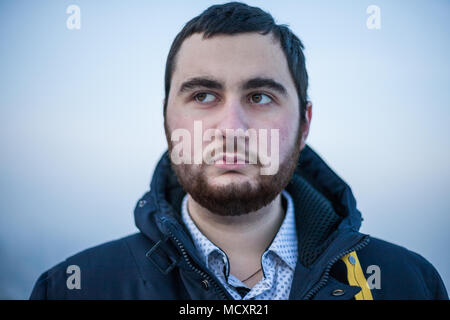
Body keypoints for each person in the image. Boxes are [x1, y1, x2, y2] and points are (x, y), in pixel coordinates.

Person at [30, 2, 447, 300]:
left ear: (304, 124)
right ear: (166, 121)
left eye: (261, 97)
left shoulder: (408, 284)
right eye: (204, 96)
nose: (232, 128)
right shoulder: (75, 288)